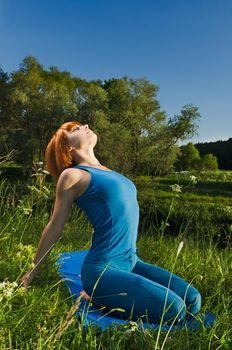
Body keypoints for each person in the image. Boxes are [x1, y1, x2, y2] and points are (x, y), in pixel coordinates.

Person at [20, 121, 201, 324]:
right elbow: (55, 226)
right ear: (67, 147)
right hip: (102, 270)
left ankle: (103, 296)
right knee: (174, 309)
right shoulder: (72, 175)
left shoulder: (109, 171)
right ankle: (97, 295)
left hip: (131, 262)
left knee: (193, 301)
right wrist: (30, 274)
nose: (85, 125)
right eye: (75, 129)